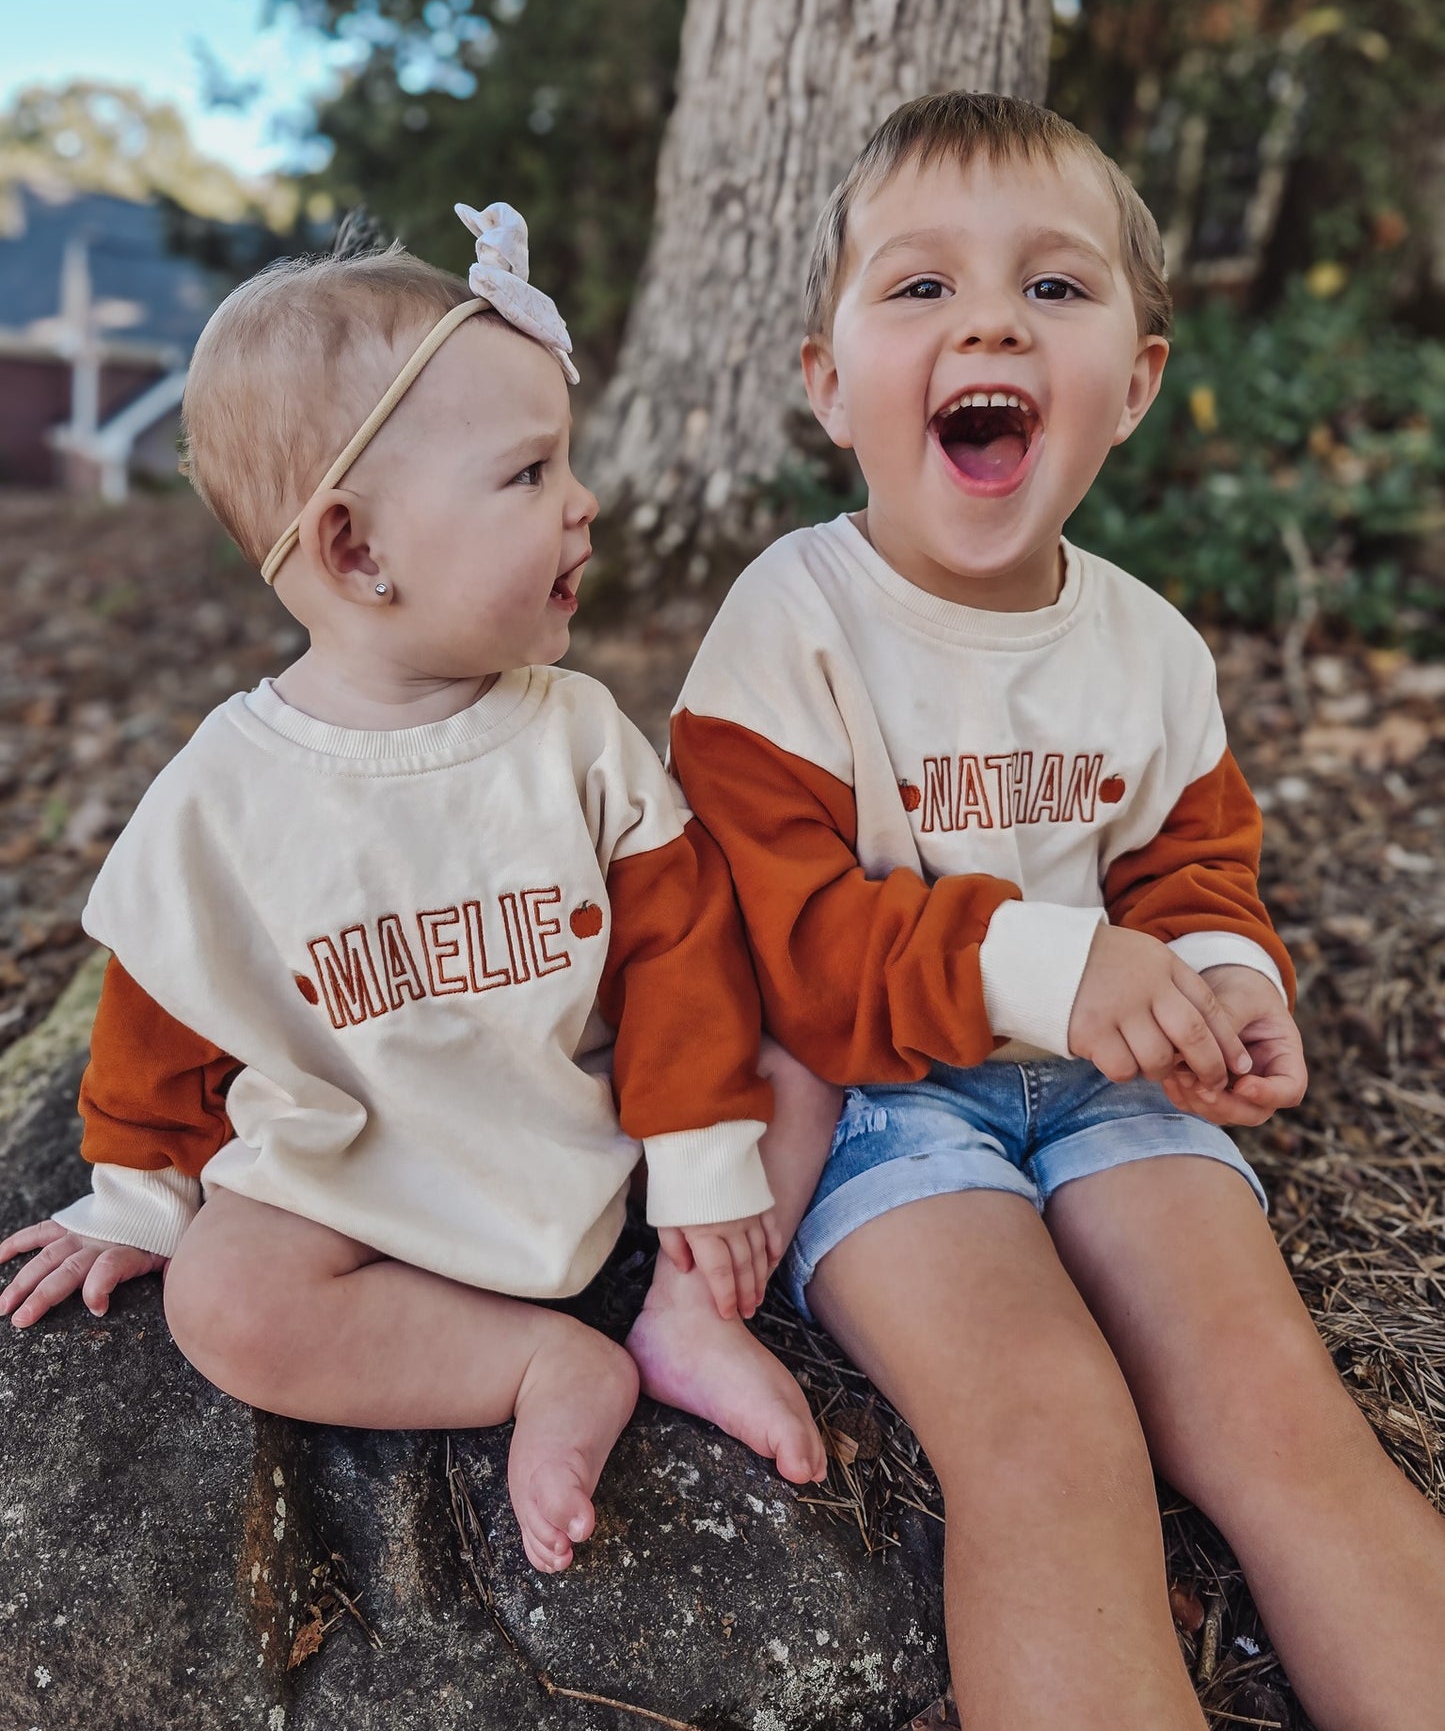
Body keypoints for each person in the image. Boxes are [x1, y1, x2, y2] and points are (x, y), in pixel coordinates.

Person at [668, 93, 1445, 1729]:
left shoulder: (1147, 646)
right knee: (1044, 1426)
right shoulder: (787, 627)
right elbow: (787, 939)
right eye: (920, 288)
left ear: (1135, 384)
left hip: (1112, 1087)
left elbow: (1186, 862)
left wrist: (1224, 981)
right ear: (827, 382)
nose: (990, 320)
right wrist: (1052, 958)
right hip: (878, 1105)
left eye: (1054, 288)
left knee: (1271, 1409)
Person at [0, 203, 838, 1575]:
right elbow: (157, 1000)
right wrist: (137, 1198)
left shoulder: (571, 732)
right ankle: (540, 1369)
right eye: (527, 475)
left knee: (805, 1053)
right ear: (356, 552)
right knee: (228, 1303)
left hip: (593, 1123)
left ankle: (695, 1314)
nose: (584, 501)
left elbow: (678, 950)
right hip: (360, 1169)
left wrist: (698, 1163)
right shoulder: (231, 787)